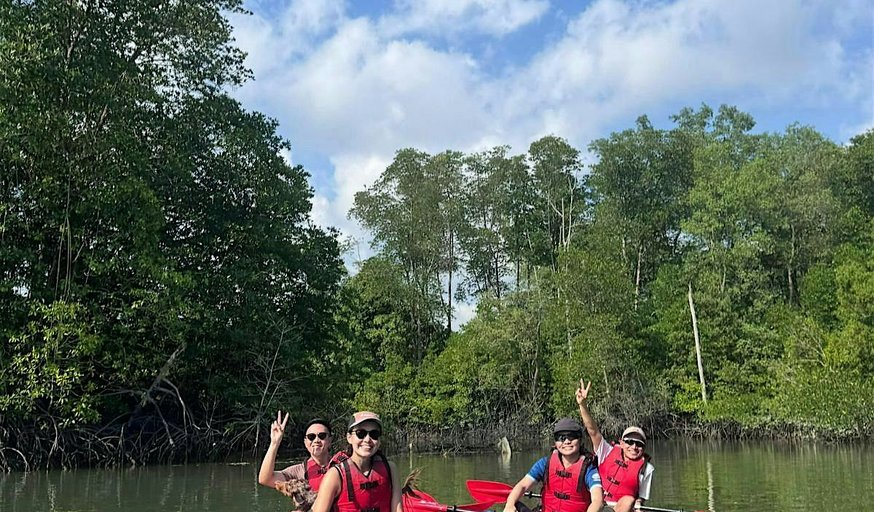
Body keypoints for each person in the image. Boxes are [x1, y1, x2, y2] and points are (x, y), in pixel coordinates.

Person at [576, 380, 654, 512]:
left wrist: (639, 504)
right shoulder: (607, 451)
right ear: (621, 443)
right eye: (630, 442)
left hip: (621, 508)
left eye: (639, 444)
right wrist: (583, 405)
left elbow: (641, 498)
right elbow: (592, 431)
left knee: (629, 499)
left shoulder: (647, 468)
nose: (634, 447)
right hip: (595, 503)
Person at [503, 418, 604, 512]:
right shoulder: (544, 464)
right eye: (561, 438)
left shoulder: (588, 469)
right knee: (515, 503)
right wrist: (509, 504)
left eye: (572, 437)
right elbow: (523, 486)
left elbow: (597, 500)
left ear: (580, 440)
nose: (567, 441)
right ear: (555, 442)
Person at [311, 411, 402, 512]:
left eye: (374, 434)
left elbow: (398, 509)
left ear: (379, 440)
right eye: (361, 434)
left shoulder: (390, 469)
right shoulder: (335, 475)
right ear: (349, 437)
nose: (367, 439)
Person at [258, 412, 344, 491]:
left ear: (330, 440)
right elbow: (265, 479)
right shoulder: (297, 472)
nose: (316, 440)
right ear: (305, 442)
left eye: (322, 436)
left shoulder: (343, 466)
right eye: (311, 437)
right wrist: (274, 443)